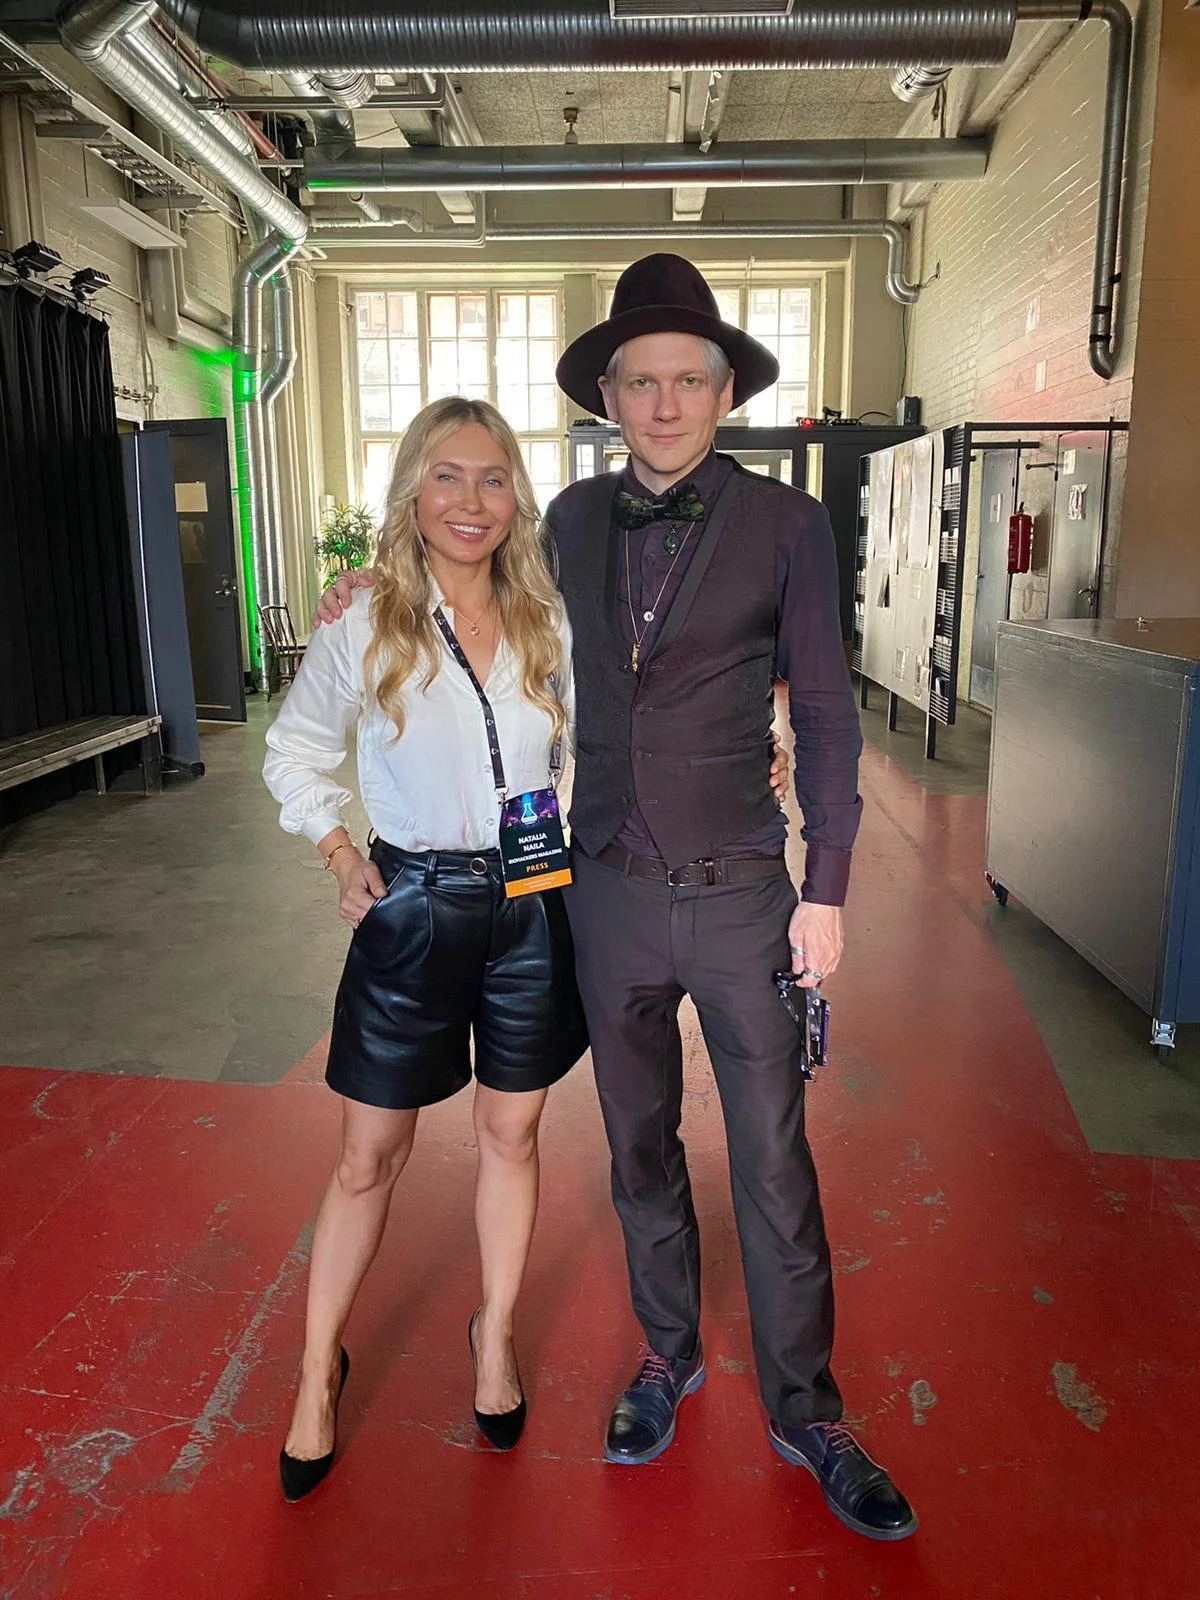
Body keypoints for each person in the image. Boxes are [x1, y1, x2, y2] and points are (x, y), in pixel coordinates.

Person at [314, 255, 917, 1541]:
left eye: (688, 379)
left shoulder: (788, 525)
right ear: (607, 395)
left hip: (747, 892)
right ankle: (666, 1353)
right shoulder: (566, 524)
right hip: (603, 893)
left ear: (724, 390)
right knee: (636, 1144)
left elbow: (822, 711)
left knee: (772, 1156)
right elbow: (462, 576)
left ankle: (807, 1408)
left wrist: (827, 886)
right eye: (640, 382)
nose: (665, 403)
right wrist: (363, 588)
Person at [262, 396, 589, 1502]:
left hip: (532, 902)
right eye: (447, 476)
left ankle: (494, 1335)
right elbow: (293, 749)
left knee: (513, 1131)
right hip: (414, 901)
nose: (470, 500)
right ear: (412, 491)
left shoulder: (547, 620)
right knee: (369, 1153)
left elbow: (596, 743)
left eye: (493, 478)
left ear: (516, 499)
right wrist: (338, 851)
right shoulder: (365, 621)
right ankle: (319, 1368)